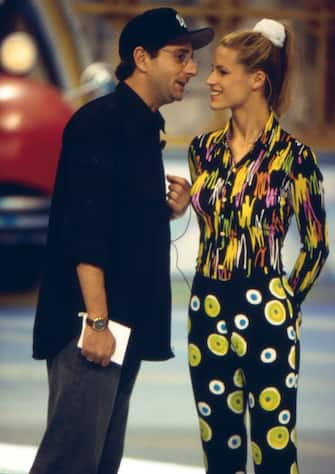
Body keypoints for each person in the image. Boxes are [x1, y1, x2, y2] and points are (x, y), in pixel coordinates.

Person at [29, 8, 214, 474]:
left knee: (100, 462)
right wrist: (96, 322)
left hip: (120, 324)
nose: (192, 69)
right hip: (92, 324)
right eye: (180, 56)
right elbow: (84, 230)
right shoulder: (102, 122)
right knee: (70, 462)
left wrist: (165, 209)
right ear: (141, 58)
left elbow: (115, 219)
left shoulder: (142, 125)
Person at [187, 18, 329, 474]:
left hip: (267, 309)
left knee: (273, 451)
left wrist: (286, 300)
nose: (209, 78)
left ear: (257, 80)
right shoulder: (202, 151)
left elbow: (316, 244)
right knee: (220, 451)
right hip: (206, 307)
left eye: (222, 71)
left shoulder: (294, 158)